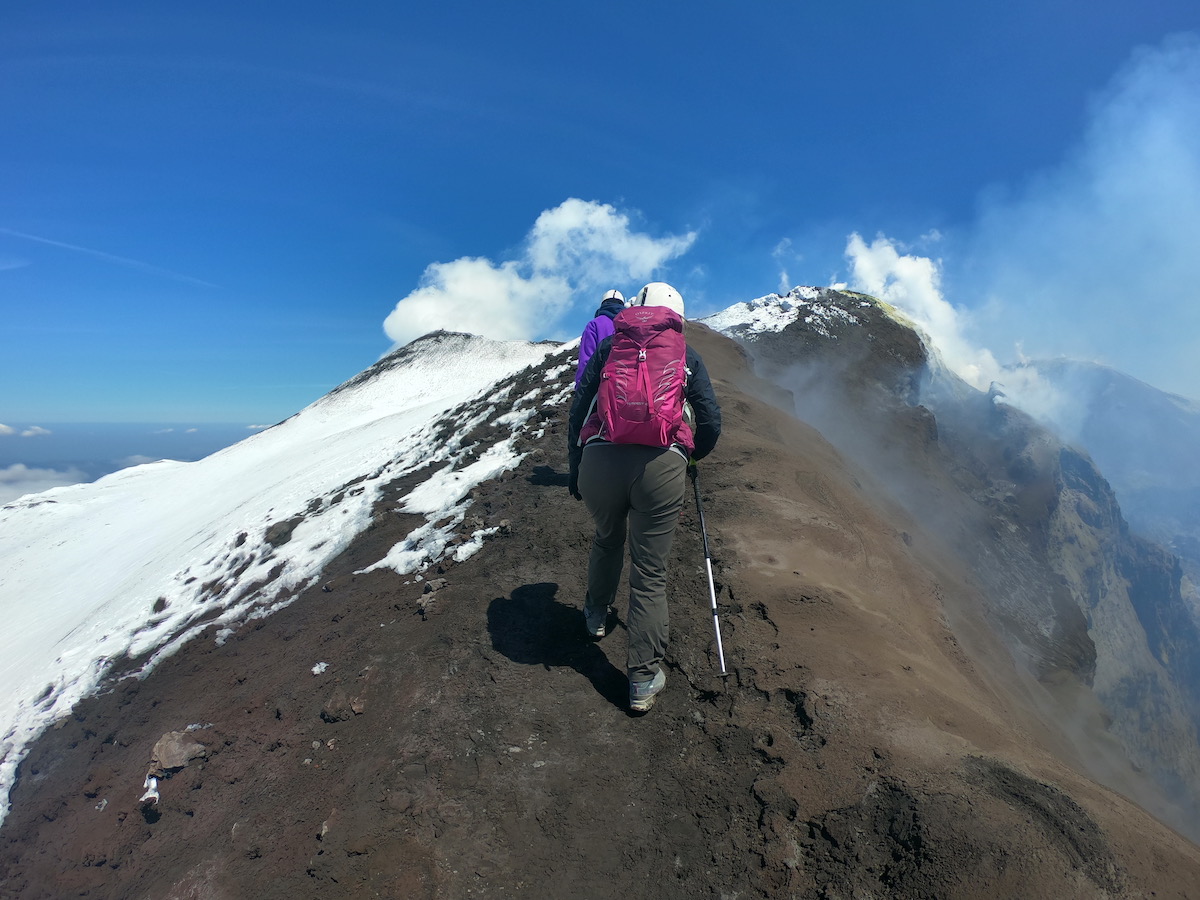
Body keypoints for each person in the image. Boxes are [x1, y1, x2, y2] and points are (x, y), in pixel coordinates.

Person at [567, 282, 721, 713]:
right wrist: (691, 456)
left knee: (606, 536)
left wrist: (576, 465)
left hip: (599, 457)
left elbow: (580, 406)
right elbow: (710, 420)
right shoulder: (685, 354)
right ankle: (641, 679)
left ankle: (596, 616)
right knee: (649, 573)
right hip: (661, 466)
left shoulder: (611, 347)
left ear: (635, 309)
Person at [574, 289, 626, 387]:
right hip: (625, 385)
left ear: (602, 304)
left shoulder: (594, 325)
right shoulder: (627, 325)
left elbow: (586, 360)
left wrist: (580, 389)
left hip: (601, 386)